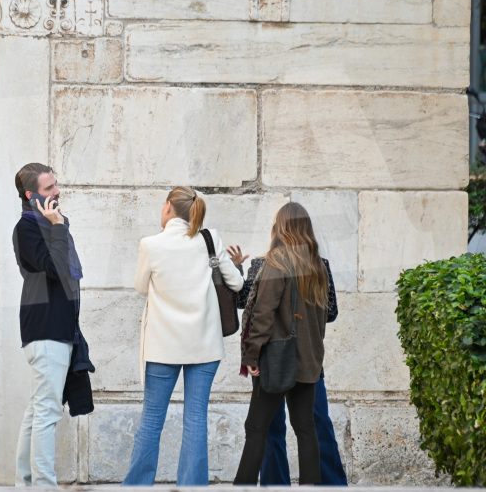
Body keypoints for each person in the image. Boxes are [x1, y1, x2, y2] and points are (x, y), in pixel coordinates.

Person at [123, 187, 246, 486]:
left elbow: (141, 287)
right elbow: (237, 283)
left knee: (152, 420)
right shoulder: (209, 238)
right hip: (204, 345)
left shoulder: (151, 244)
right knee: (195, 420)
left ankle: (136, 487)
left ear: (168, 206)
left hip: (162, 346)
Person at [234, 202, 329, 485]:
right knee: (306, 429)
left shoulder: (276, 262)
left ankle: (242, 487)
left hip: (277, 361)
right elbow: (322, 318)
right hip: (309, 361)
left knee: (256, 428)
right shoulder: (317, 266)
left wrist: (251, 354)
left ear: (281, 227)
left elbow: (263, 313)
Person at [240, 256, 347, 485]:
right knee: (309, 425)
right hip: (298, 359)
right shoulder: (316, 264)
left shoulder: (266, 264)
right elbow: (331, 312)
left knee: (279, 427)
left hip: (278, 360)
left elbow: (250, 306)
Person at [12, 163, 83, 486]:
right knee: (47, 411)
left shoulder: (48, 224)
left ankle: (26, 483)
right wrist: (58, 227)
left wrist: (57, 226)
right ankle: (43, 485)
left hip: (55, 326)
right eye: (48, 188)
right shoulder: (27, 228)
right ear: (31, 195)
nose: (57, 192)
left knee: (37, 409)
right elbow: (55, 268)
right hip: (45, 328)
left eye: (55, 184)